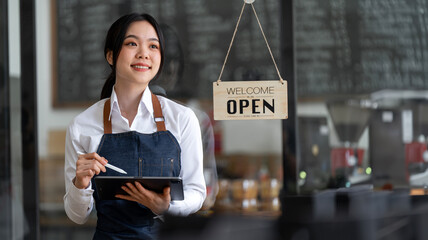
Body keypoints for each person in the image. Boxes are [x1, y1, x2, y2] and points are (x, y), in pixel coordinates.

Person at [63, 13, 206, 239]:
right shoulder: (82, 125)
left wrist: (164, 207)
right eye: (132, 43)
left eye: (153, 46)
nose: (144, 54)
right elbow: (77, 216)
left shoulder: (182, 118)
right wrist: (80, 184)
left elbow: (197, 193)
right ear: (110, 55)